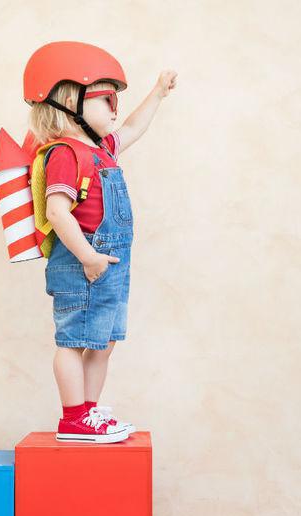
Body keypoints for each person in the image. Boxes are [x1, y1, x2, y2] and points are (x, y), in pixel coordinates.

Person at [24, 41, 177, 443]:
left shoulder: (102, 149)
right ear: (69, 103)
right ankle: (74, 417)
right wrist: (89, 256)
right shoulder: (66, 153)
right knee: (75, 340)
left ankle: (88, 413)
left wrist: (157, 94)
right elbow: (58, 212)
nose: (115, 109)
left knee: (103, 341)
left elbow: (131, 129)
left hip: (107, 263)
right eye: (106, 99)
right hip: (83, 262)